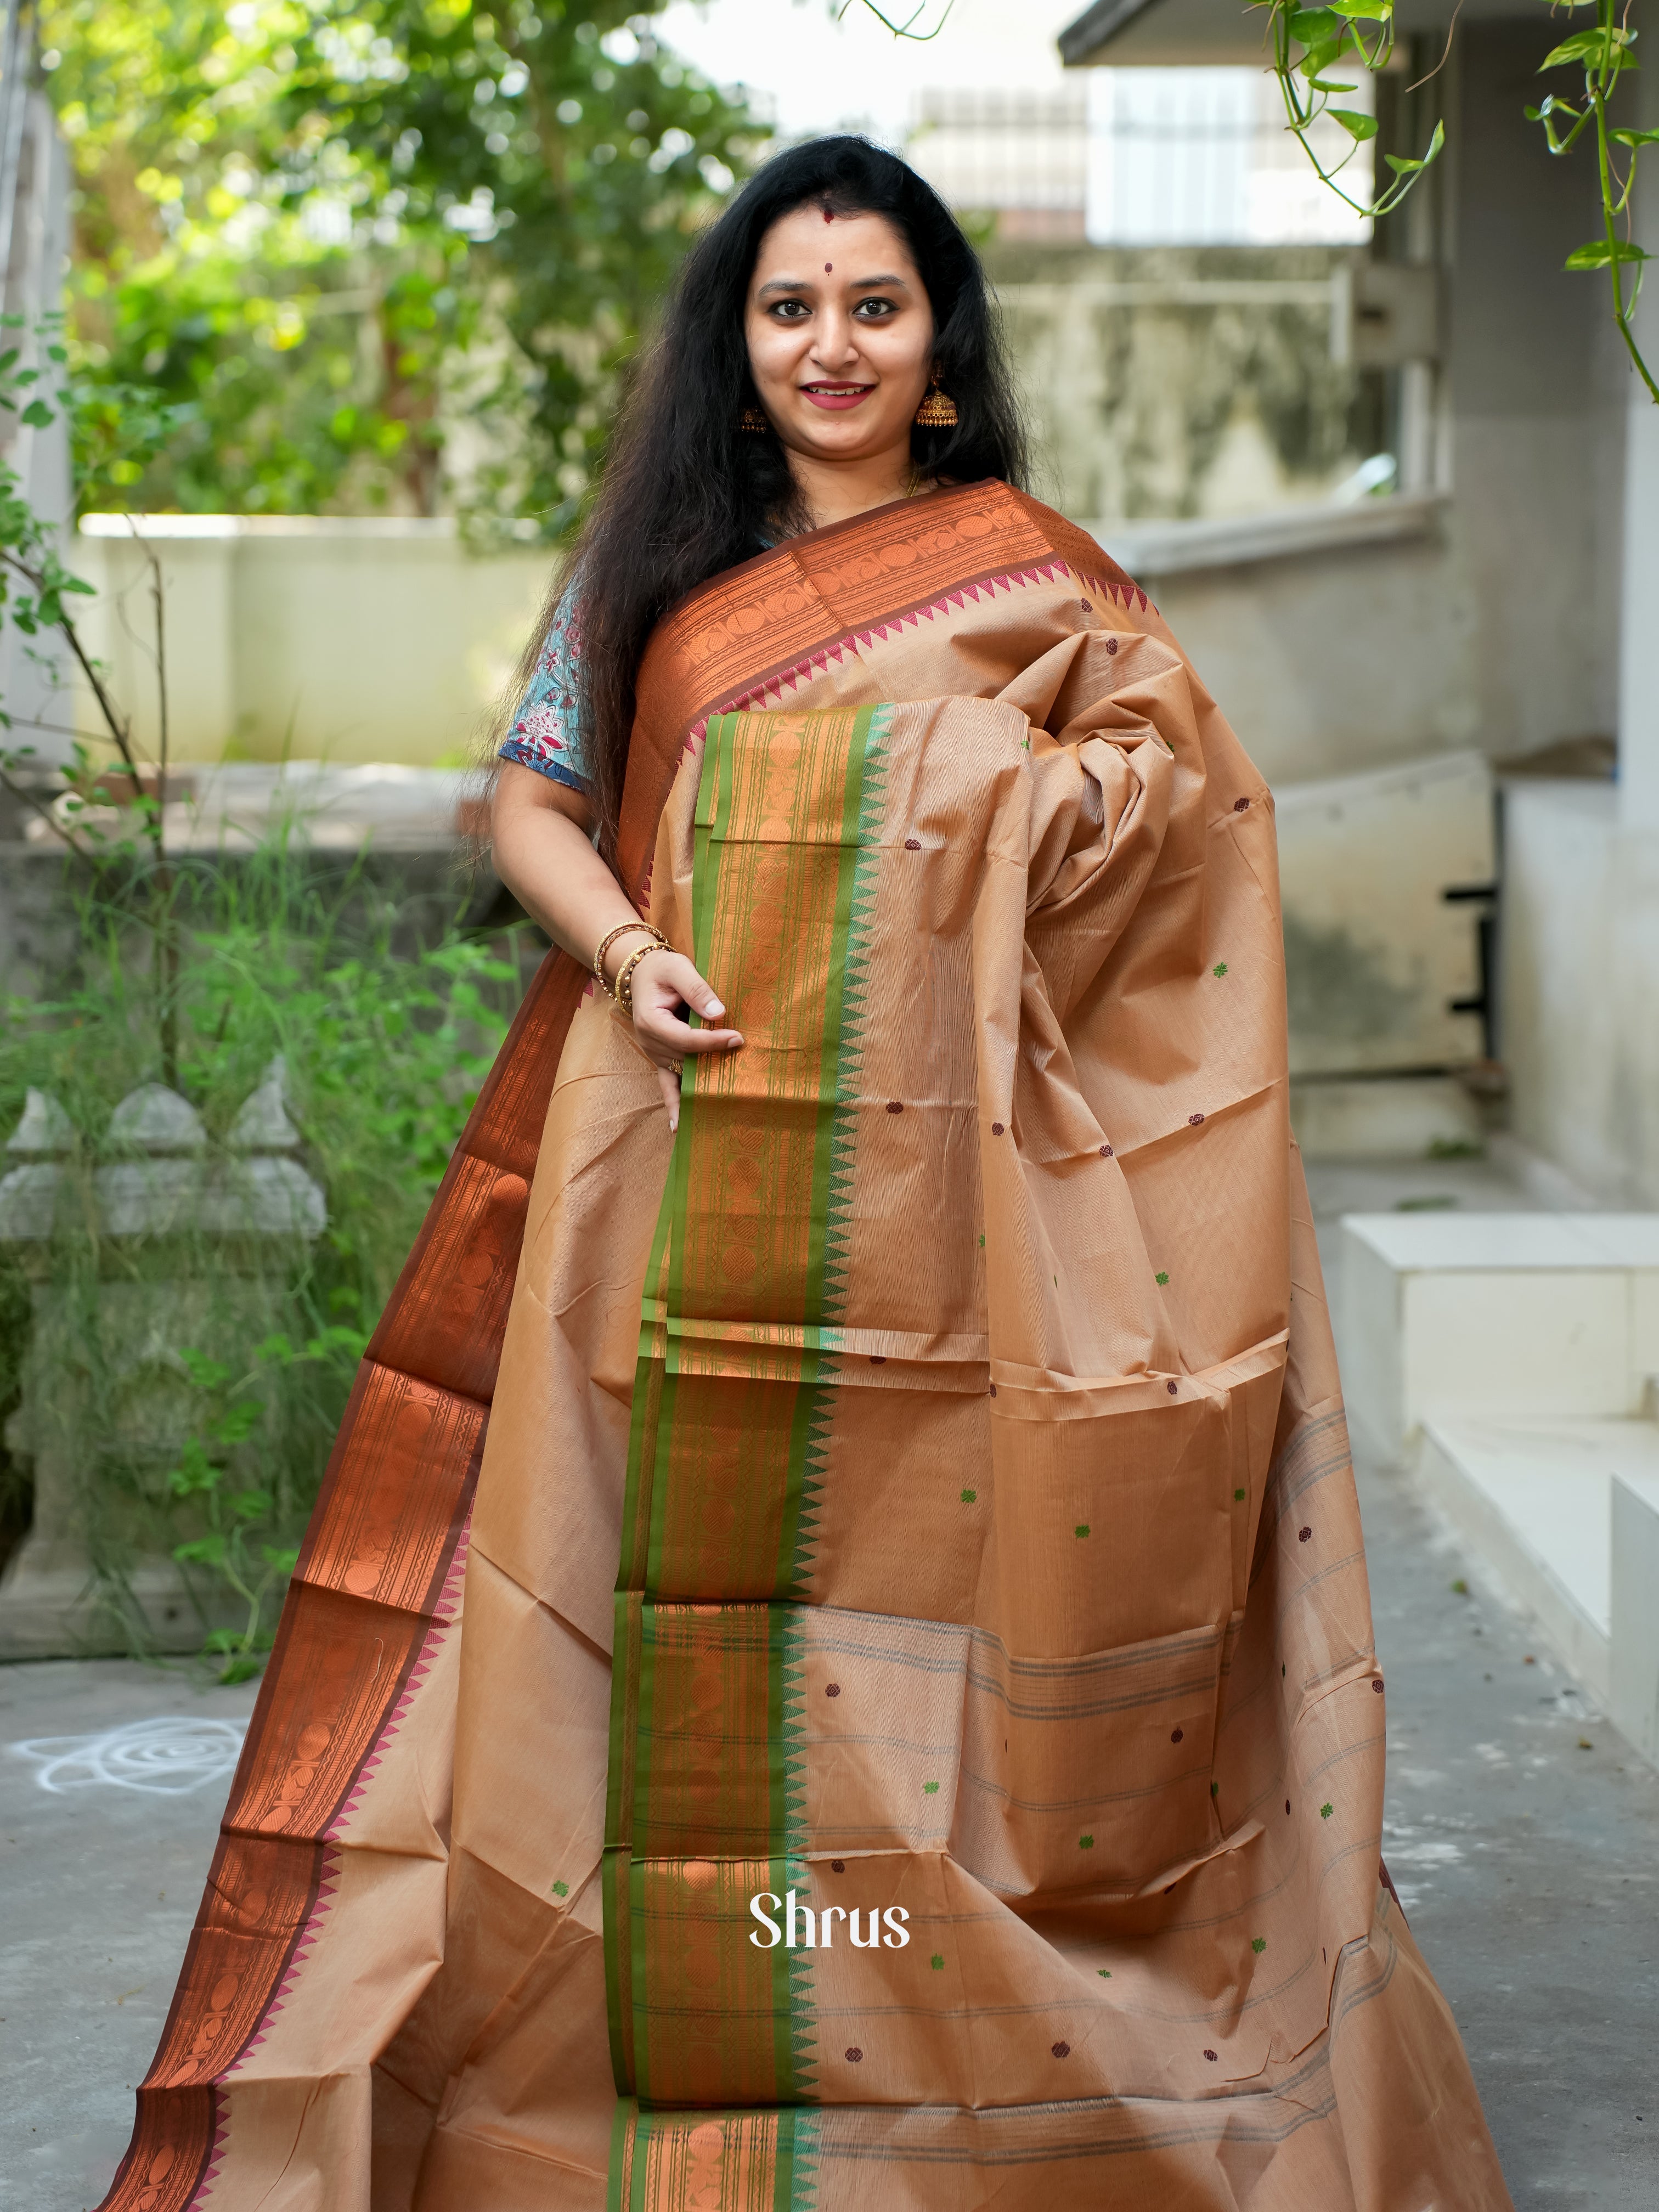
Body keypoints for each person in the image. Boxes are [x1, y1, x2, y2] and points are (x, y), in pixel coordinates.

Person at [97, 138, 1513, 2212]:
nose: (828, 344)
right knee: (655, 1605)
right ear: (736, 344)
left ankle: (921, 2050)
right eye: (788, 308)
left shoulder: (1030, 566)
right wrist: (636, 949)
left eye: (873, 304)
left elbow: (1184, 810)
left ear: (939, 344)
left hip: (964, 1210)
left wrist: (992, 806)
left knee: (917, 1614)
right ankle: (684, 2045)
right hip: (669, 1158)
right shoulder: (661, 574)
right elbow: (533, 800)